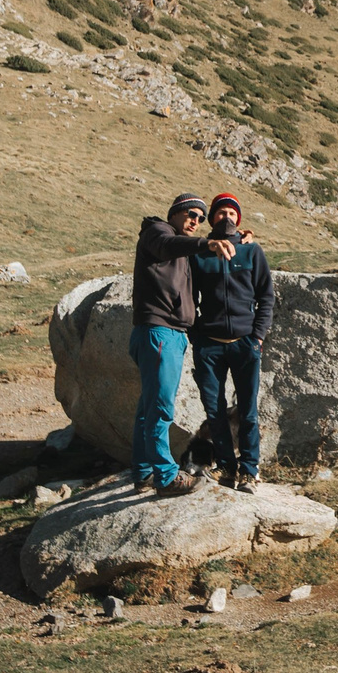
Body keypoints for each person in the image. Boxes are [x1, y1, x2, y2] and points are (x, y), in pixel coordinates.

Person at [130, 194, 240, 495]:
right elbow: (169, 245)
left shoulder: (183, 247)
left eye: (201, 219)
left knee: (148, 408)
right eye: (191, 214)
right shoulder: (158, 233)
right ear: (175, 213)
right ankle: (166, 477)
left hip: (170, 334)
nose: (196, 221)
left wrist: (237, 238)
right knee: (161, 408)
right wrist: (206, 243)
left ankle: (143, 473)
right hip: (160, 332)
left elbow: (209, 253)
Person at [188, 191, 275, 491]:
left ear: (239, 219)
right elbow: (189, 298)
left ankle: (249, 470)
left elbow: (266, 296)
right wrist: (196, 337)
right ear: (212, 218)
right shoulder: (200, 254)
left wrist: (258, 336)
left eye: (231, 214)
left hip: (245, 344)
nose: (226, 218)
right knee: (214, 411)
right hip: (209, 346)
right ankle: (226, 467)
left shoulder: (252, 252)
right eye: (220, 213)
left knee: (248, 410)